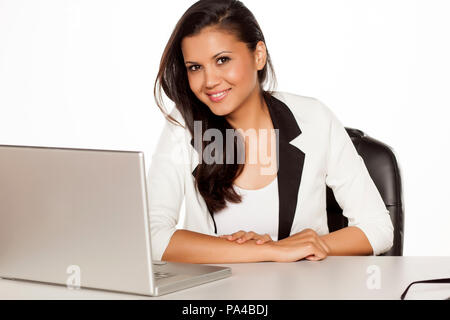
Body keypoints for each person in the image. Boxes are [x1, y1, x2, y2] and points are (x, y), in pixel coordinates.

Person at [148, 0, 394, 264]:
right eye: (195, 67)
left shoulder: (314, 118)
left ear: (258, 55)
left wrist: (311, 245)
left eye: (222, 60)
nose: (209, 81)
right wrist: (271, 251)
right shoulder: (183, 125)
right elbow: (151, 235)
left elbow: (378, 228)